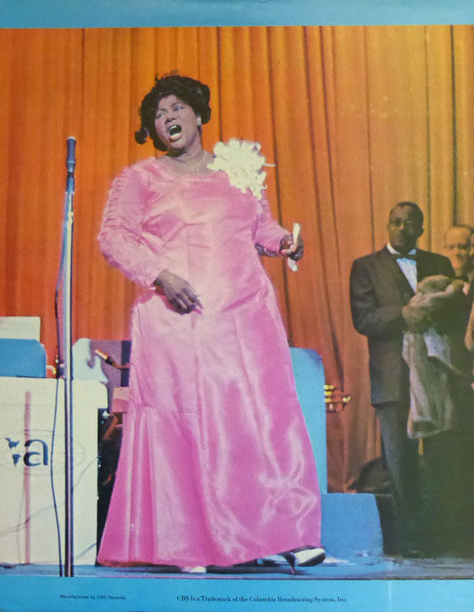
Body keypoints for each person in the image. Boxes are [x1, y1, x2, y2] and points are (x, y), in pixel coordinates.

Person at [96, 74, 324, 573]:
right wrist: (160, 275)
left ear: (199, 115)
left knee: (262, 421)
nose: (168, 118)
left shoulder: (236, 170)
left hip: (245, 315)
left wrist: (284, 242)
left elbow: (259, 227)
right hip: (178, 318)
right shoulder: (140, 178)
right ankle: (189, 544)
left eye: (177, 108)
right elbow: (113, 237)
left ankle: (283, 534)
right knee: (190, 422)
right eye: (159, 115)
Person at [350, 202, 474, 558]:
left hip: (435, 374)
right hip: (392, 379)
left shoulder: (440, 263)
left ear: (421, 229)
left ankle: (446, 539)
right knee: (400, 463)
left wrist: (437, 309)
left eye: (410, 224)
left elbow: (459, 314)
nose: (402, 229)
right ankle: (411, 544)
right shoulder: (365, 267)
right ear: (388, 225)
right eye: (396, 222)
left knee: (442, 458)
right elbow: (363, 319)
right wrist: (403, 314)